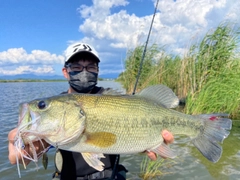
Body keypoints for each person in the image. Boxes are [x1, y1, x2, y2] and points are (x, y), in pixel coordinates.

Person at [8, 43, 174, 180]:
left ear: (98, 70)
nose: (84, 72)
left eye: (91, 67)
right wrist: (20, 147)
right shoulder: (59, 109)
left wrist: (146, 143)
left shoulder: (110, 96)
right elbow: (20, 157)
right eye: (77, 67)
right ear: (65, 71)